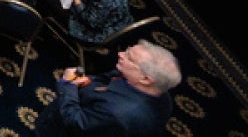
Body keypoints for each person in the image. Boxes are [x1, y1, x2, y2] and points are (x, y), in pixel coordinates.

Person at [35, 40, 180, 137]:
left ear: (146, 79)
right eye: (127, 50)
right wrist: (89, 82)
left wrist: (68, 85)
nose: (120, 54)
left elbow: (77, 124)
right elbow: (108, 80)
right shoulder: (160, 94)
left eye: (129, 58)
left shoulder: (119, 114)